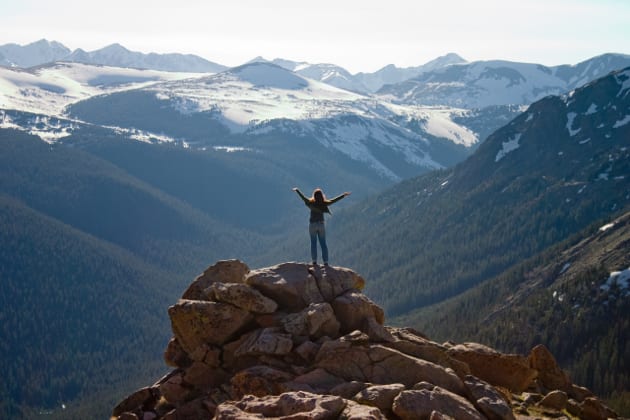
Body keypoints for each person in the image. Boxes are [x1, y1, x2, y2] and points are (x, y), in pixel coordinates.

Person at [292, 187, 351, 266]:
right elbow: (334, 200)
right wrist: (343, 195)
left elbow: (303, 198)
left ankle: (314, 261)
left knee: (313, 243)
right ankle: (326, 262)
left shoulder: (310, 203)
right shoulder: (324, 203)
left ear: (314, 196)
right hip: (321, 224)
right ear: (322, 196)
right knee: (323, 244)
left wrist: (297, 191)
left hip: (312, 225)